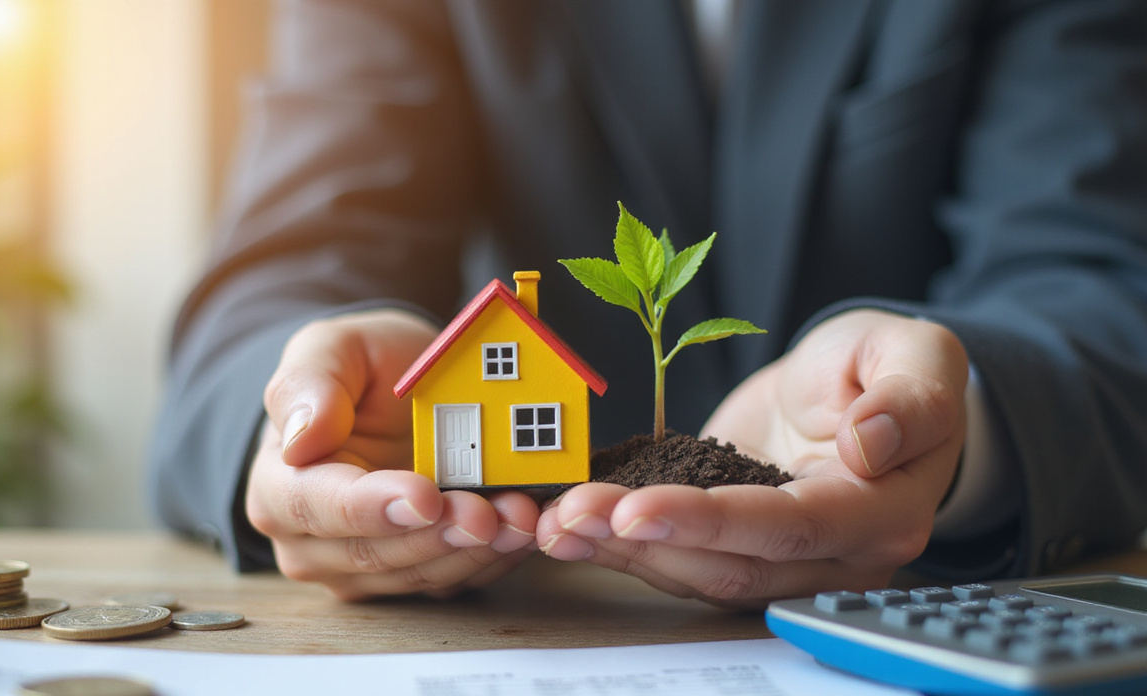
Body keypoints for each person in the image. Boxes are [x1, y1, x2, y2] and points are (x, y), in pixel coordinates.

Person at [150, 0, 1147, 605]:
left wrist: (952, 426)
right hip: (521, 600)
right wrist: (302, 422)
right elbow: (282, 276)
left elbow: (1098, 278)